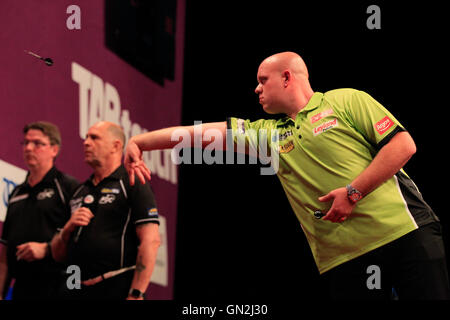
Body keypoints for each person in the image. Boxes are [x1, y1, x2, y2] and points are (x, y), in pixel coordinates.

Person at [124, 52, 450, 300]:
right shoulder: (268, 136)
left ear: (286, 77)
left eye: (262, 80)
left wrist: (353, 192)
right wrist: (140, 142)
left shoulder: (345, 101)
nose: (256, 88)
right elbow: (200, 135)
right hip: (345, 259)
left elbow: (403, 145)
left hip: (406, 234)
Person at [51, 121, 160, 300]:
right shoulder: (79, 191)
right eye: (86, 137)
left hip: (116, 289)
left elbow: (151, 241)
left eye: (94, 137)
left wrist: (137, 293)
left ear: (116, 146)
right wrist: (68, 228)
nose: (86, 142)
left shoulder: (132, 182)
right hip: (75, 288)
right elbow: (57, 255)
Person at [0, 121, 79, 300]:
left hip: (57, 285)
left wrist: (47, 249)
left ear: (54, 149)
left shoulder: (68, 187)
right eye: (26, 143)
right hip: (21, 287)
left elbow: (82, 241)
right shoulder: (16, 193)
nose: (28, 148)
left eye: (37, 143)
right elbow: (5, 251)